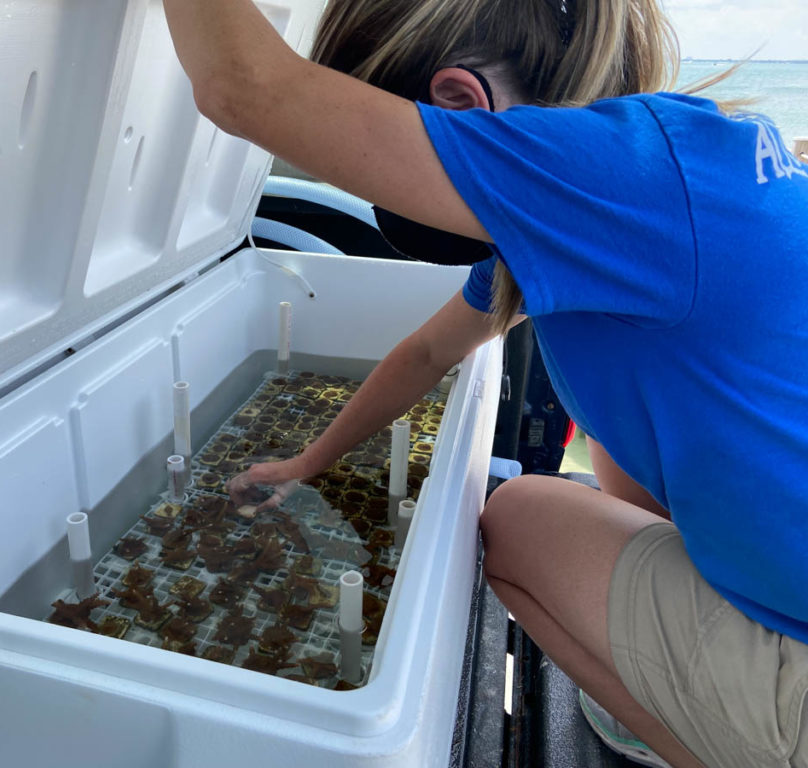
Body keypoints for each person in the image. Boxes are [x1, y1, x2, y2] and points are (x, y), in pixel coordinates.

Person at [161, 1, 808, 767]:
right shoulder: (653, 176)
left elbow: (243, 86)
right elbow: (426, 354)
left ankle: (706, 738)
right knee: (612, 455)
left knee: (518, 521)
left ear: (463, 106)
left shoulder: (609, 173)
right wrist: (307, 463)